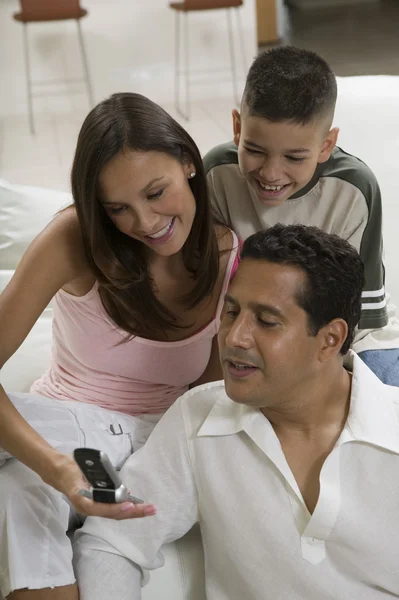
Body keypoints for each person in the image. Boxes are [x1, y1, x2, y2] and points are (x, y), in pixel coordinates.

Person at [74, 223, 399, 600]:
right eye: (231, 312)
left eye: (266, 321)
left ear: (330, 339)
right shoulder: (198, 417)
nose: (234, 337)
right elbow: (112, 541)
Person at [0, 93, 239, 599]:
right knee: (20, 488)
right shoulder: (75, 238)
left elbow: (209, 397)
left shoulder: (230, 257)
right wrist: (54, 466)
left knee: (20, 483)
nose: (146, 223)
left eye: (156, 193)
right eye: (119, 209)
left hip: (151, 448)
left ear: (188, 163)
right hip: (72, 437)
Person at [204, 45, 399, 386]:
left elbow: (358, 315)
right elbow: (208, 289)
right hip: (244, 330)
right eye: (253, 150)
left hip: (335, 333)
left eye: (294, 158)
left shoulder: (354, 188)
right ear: (237, 127)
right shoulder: (216, 175)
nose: (271, 174)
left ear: (326, 145)